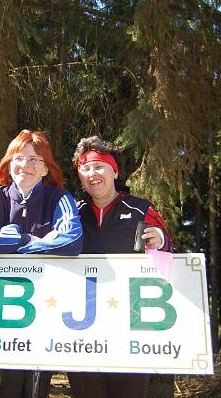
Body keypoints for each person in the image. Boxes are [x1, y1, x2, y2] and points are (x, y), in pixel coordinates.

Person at [0, 129, 84, 398]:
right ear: (9, 164)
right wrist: (25, 238)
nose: (25, 165)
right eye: (18, 158)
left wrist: (11, 243)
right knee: (10, 382)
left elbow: (71, 240)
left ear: (45, 169)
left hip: (49, 305)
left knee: (37, 385)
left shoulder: (59, 198)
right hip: (6, 307)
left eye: (34, 160)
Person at [67, 136, 173, 398]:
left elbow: (169, 260)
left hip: (130, 327)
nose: (92, 174)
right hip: (83, 332)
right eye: (85, 168)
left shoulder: (140, 209)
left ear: (115, 171)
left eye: (99, 166)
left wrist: (161, 240)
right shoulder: (72, 213)